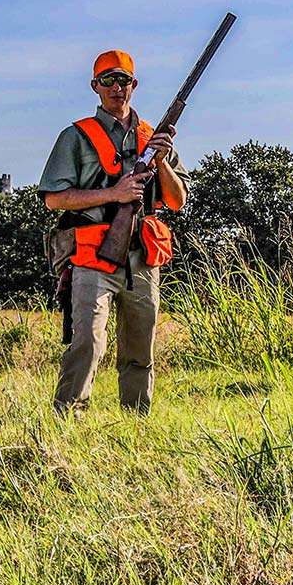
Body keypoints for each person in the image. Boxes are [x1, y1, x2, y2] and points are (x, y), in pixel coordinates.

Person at [38, 49, 187, 413]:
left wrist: (161, 162)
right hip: (92, 255)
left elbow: (177, 200)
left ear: (134, 84)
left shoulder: (154, 137)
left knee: (140, 346)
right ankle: (67, 419)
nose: (116, 87)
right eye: (108, 80)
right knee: (88, 341)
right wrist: (113, 194)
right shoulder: (75, 137)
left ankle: (135, 422)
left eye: (123, 80)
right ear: (95, 86)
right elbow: (54, 199)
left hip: (141, 258)